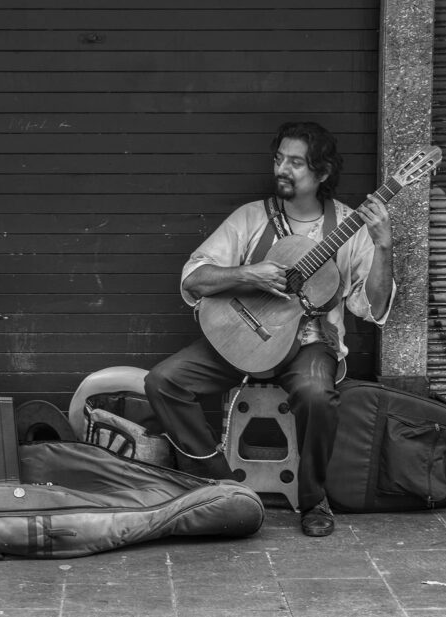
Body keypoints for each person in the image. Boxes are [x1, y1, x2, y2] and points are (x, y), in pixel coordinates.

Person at [144, 121, 394, 537]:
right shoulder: (251, 218)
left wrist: (383, 245)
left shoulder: (350, 227)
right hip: (242, 337)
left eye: (296, 163)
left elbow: (374, 308)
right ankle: (222, 486)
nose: (283, 169)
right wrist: (249, 274)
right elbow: (193, 279)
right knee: (163, 382)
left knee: (317, 395)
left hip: (309, 346)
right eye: (280, 159)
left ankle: (314, 499)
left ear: (323, 173)